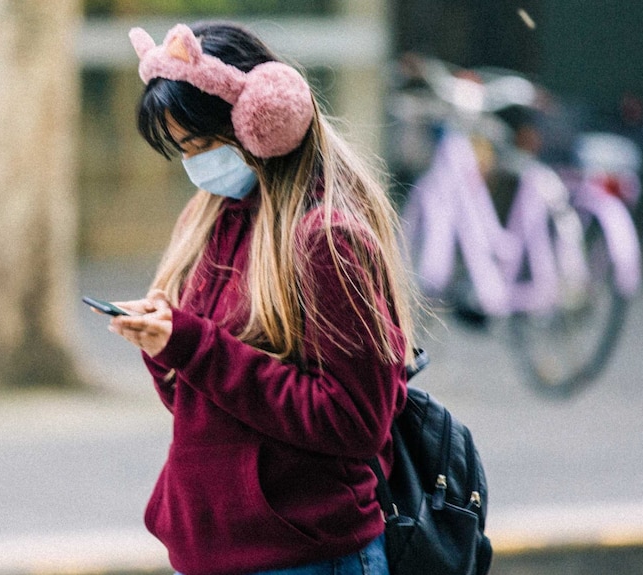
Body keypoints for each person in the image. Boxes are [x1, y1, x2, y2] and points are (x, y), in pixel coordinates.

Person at [109, 21, 420, 575]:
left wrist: (196, 346)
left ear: (264, 119)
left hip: (304, 555)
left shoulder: (326, 240)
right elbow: (203, 406)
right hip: (210, 551)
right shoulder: (205, 220)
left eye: (204, 144)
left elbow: (353, 422)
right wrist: (164, 344)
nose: (195, 165)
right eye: (182, 151)